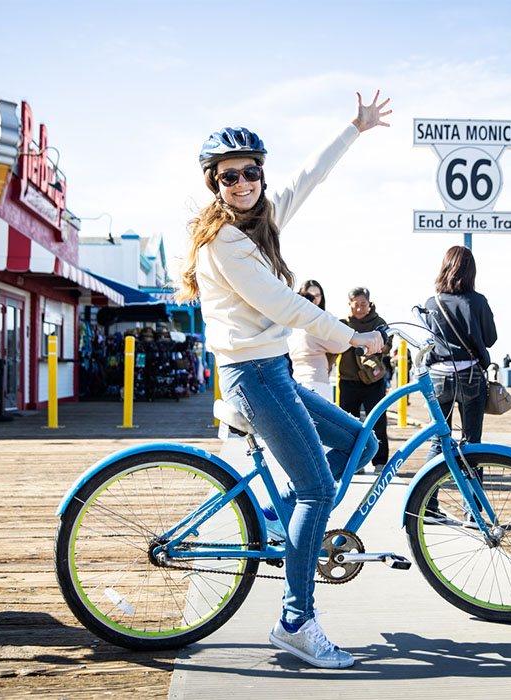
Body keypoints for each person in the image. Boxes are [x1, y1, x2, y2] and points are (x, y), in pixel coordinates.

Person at [175, 90, 391, 669]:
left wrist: (354, 128)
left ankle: (279, 516)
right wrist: (354, 337)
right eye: (229, 176)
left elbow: (308, 178)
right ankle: (296, 621)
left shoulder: (260, 222)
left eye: (250, 172)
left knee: (362, 442)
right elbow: (285, 304)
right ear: (214, 183)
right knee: (319, 489)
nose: (242, 183)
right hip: (253, 375)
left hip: (274, 370)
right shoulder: (224, 242)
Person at [423, 246, 497, 462]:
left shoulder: (432, 303)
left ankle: (428, 485)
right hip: (469, 375)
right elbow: (490, 339)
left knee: (438, 442)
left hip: (437, 375)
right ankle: (472, 486)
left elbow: (430, 340)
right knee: (472, 443)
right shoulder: (477, 301)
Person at [338, 286, 392, 471]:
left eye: (363, 304)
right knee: (348, 424)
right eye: (356, 304)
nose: (360, 308)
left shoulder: (379, 323)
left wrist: (377, 344)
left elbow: (387, 346)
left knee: (378, 421)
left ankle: (380, 462)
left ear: (369, 303)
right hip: (347, 381)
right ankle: (354, 463)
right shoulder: (342, 324)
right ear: (349, 304)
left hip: (373, 382)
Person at [288, 283, 350, 401]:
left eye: (317, 295)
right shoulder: (314, 325)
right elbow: (340, 346)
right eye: (311, 295)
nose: (315, 299)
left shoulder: (291, 322)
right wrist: (354, 337)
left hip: (294, 378)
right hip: (315, 380)